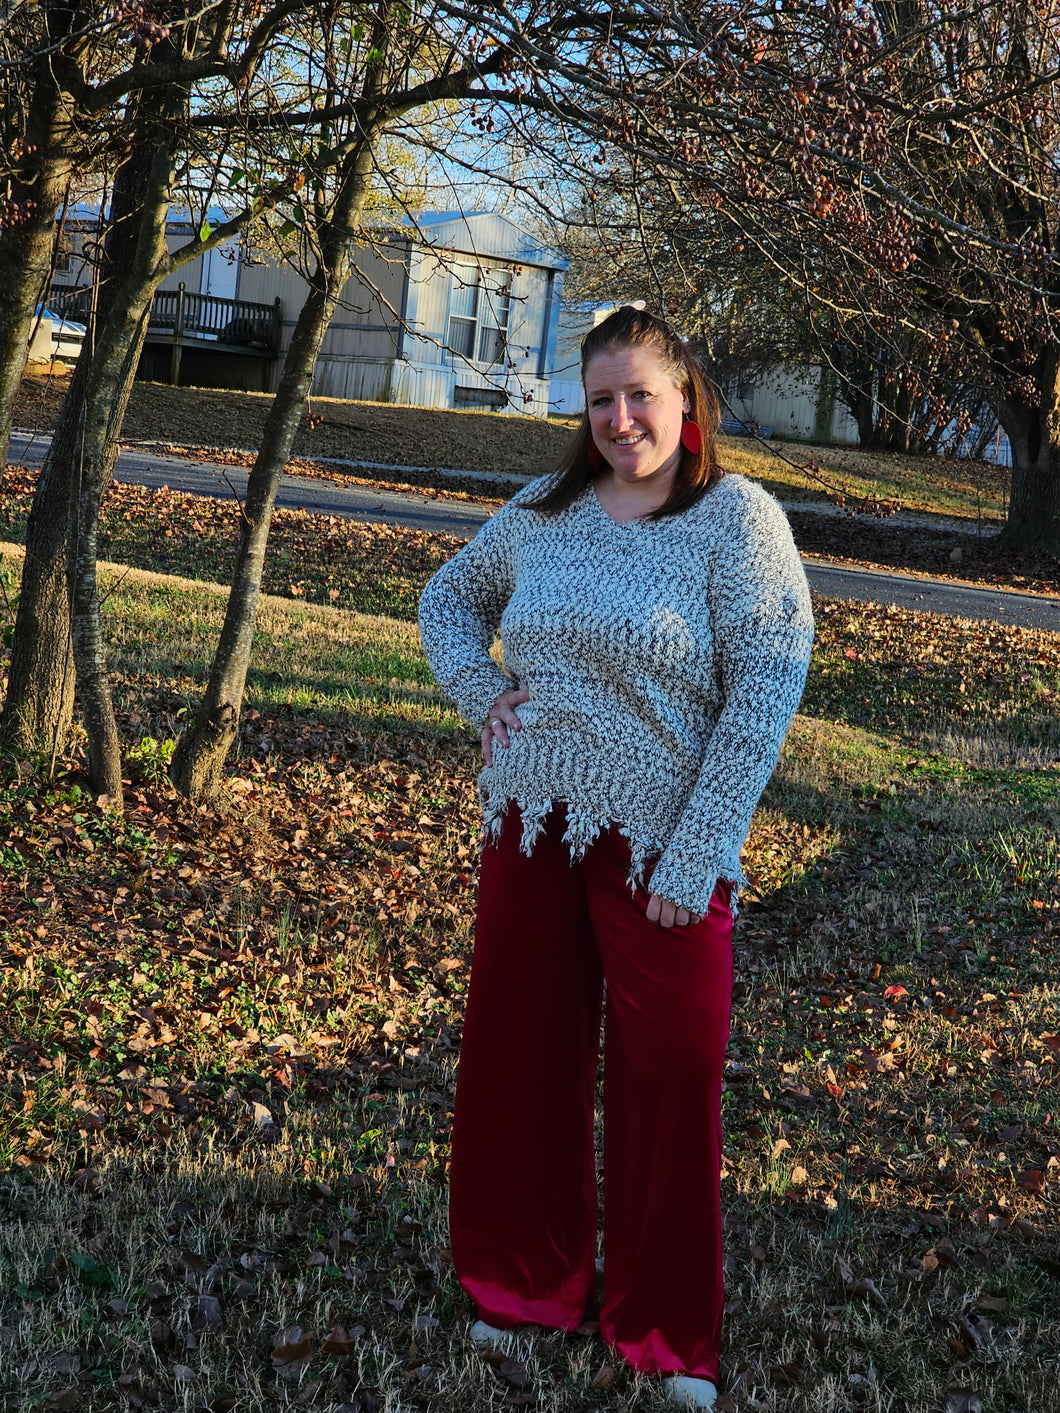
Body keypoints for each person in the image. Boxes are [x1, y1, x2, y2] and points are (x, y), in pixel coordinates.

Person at [418, 306, 813, 1410]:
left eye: (640, 394)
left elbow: (763, 690)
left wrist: (700, 853)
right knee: (521, 1060)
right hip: (530, 828)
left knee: (669, 1079)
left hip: (665, 850)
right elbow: (447, 598)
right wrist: (481, 696)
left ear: (687, 401)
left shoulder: (737, 522)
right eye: (600, 399)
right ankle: (524, 1279)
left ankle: (663, 1329)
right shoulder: (543, 512)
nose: (620, 417)